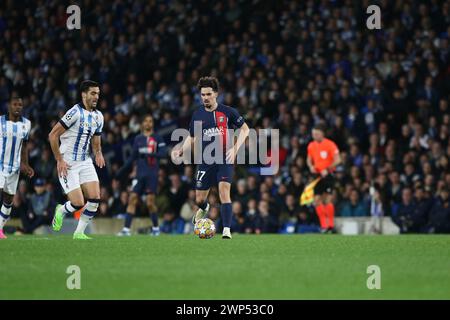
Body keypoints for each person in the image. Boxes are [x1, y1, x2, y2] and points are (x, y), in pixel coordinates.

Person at [172, 76, 250, 239]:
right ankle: (205, 207)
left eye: (208, 94)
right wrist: (181, 149)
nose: (205, 98)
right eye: (203, 95)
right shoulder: (197, 114)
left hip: (225, 159)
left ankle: (226, 230)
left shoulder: (228, 112)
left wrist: (235, 149)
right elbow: (192, 137)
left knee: (224, 192)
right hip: (206, 161)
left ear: (216, 94)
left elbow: (245, 129)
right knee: (199, 198)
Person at [48, 80, 105, 240]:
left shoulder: (98, 116)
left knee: (95, 198)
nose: (96, 97)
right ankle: (61, 210)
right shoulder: (74, 113)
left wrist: (98, 152)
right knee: (78, 202)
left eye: (98, 94)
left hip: (85, 161)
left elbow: (96, 139)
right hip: (68, 163)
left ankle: (79, 233)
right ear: (84, 94)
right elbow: (53, 135)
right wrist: (59, 159)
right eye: (93, 93)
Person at [116, 114, 167, 236]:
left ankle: (155, 229)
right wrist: (121, 170)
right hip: (139, 175)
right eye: (146, 121)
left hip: (152, 174)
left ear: (152, 124)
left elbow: (163, 154)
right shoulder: (138, 139)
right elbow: (132, 158)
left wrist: (150, 154)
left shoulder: (158, 138)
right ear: (142, 124)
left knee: (150, 202)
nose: (148, 123)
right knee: (132, 199)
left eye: (150, 121)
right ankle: (126, 230)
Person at [0, 96, 35, 239]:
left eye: (20, 105)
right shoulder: (0, 122)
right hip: (0, 165)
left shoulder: (26, 124)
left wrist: (25, 164)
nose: (18, 107)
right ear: (9, 106)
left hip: (14, 168)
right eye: (15, 104)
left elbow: (24, 145)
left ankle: (0, 229)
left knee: (8, 200)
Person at [306, 123, 341, 233]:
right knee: (317, 200)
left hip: (328, 175)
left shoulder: (330, 144)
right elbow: (308, 159)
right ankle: (324, 226)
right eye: (313, 134)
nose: (314, 136)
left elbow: (338, 160)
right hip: (317, 175)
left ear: (322, 134)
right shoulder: (311, 145)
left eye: (316, 134)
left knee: (328, 200)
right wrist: (311, 166)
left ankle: (330, 225)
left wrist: (328, 168)